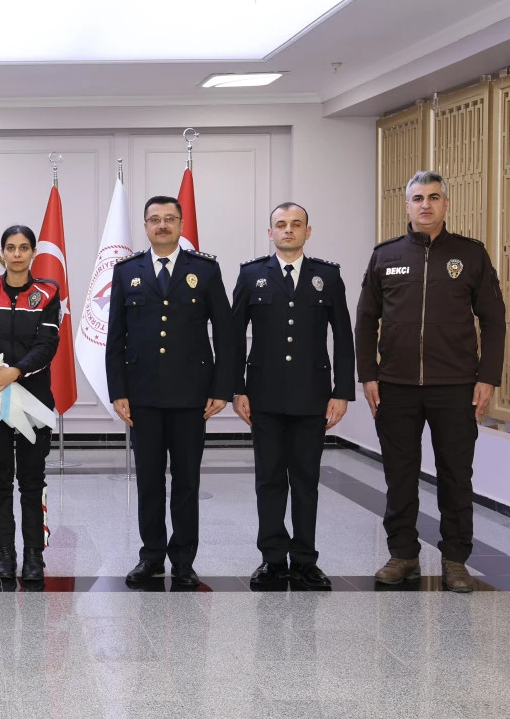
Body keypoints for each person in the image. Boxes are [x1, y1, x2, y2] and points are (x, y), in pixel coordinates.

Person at [355, 170, 506, 593]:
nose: (426, 204)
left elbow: (494, 320)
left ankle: (455, 560)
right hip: (395, 386)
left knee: (456, 475)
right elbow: (365, 320)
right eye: (418, 198)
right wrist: (368, 375)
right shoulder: (385, 255)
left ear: (446, 204)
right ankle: (403, 554)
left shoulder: (470, 255)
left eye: (434, 197)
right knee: (399, 475)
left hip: (455, 387)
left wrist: (487, 378)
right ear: (407, 205)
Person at [106, 195, 236, 588]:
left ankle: (183, 560)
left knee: (186, 481)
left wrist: (222, 388)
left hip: (191, 396)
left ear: (180, 224)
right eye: (154, 219)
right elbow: (115, 337)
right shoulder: (126, 271)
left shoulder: (205, 270)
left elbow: (225, 332)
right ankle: (151, 556)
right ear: (145, 226)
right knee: (149, 481)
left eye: (169, 218)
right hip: (142, 396)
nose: (162, 225)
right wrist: (118, 391)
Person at [232, 202, 354, 589]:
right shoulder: (252, 275)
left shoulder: (327, 276)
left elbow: (344, 336)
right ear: (270, 233)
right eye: (281, 224)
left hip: (311, 396)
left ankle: (304, 560)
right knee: (269, 480)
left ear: (307, 231)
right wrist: (237, 389)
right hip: (263, 396)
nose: (289, 230)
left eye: (296, 224)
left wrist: (342, 392)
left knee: (305, 481)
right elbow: (234, 337)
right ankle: (272, 559)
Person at [0, 225, 60, 582]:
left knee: (32, 479)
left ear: (33, 252)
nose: (17, 254)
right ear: (2, 252)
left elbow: (47, 345)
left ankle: (34, 554)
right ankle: (4, 552)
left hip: (34, 401)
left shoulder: (47, 292)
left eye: (24, 247)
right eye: (11, 247)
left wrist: (16, 371)